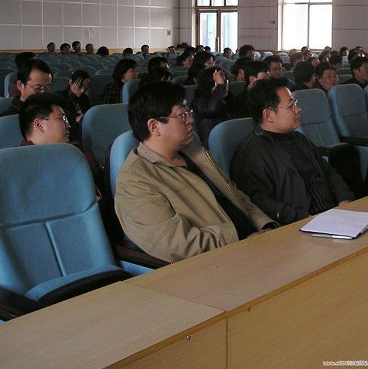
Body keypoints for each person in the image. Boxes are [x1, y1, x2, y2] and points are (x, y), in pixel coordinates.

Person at [115, 82, 276, 262]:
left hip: (254, 244)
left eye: (189, 112)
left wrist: (266, 226)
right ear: (154, 126)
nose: (191, 120)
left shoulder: (197, 154)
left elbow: (237, 198)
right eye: (182, 115)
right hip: (220, 260)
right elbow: (176, 244)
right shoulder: (135, 181)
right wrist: (241, 239)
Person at [231, 78, 354, 225]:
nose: (298, 109)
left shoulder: (298, 139)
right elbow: (260, 203)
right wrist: (305, 218)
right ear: (268, 115)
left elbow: (328, 172)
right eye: (291, 105)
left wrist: (344, 200)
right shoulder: (252, 153)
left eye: (295, 103)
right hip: (302, 225)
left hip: (333, 216)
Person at [192, 66, 230, 147]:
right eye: (222, 83)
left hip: (226, 139)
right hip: (210, 144)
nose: (226, 86)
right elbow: (211, 110)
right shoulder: (199, 101)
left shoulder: (227, 98)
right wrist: (220, 87)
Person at [57, 69, 91, 143]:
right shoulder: (59, 97)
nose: (82, 90)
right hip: (66, 133)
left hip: (83, 131)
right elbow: (59, 119)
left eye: (86, 87)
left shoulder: (85, 99)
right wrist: (75, 120)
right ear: (70, 82)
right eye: (79, 86)